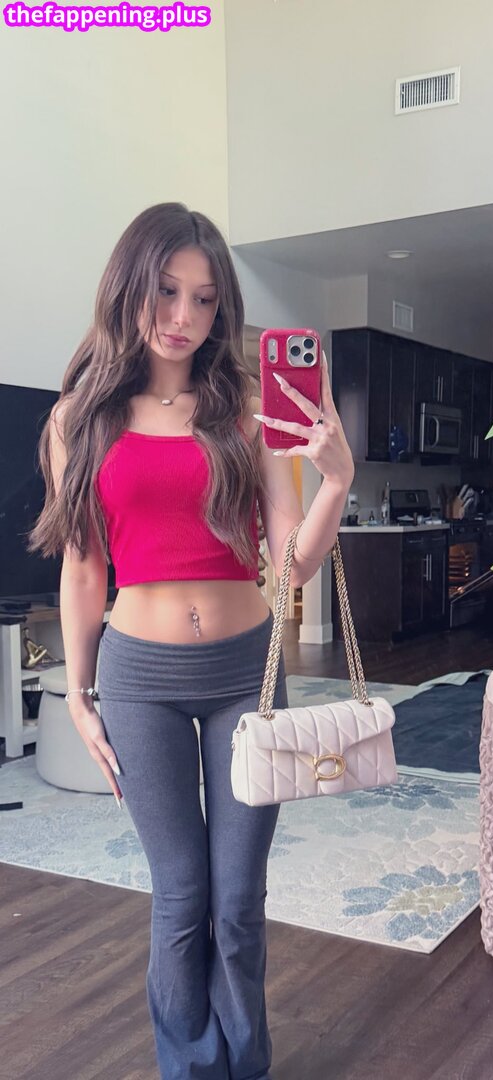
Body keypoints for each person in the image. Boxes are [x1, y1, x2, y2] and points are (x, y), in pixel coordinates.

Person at [29, 202, 354, 1080]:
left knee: (237, 900)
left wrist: (335, 482)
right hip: (140, 678)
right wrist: (81, 694)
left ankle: (246, 1064)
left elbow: (291, 563)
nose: (183, 316)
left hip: (247, 671)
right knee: (180, 897)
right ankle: (191, 1069)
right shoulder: (78, 419)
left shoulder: (245, 411)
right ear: (129, 287)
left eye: (204, 300)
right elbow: (84, 570)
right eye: (166, 292)